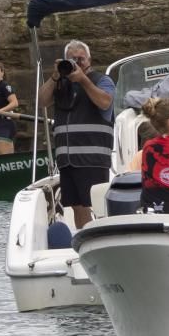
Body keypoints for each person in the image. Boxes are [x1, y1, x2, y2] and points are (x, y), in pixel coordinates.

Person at [38, 39, 113, 228]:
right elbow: (41, 101)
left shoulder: (102, 80)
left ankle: (102, 240)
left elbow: (105, 102)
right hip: (67, 159)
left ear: (90, 60)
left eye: (81, 59)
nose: (78, 63)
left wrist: (83, 80)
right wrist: (55, 76)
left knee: (97, 205)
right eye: (72, 60)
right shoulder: (60, 83)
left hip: (92, 158)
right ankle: (83, 241)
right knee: (77, 206)